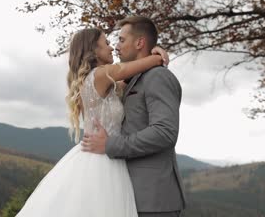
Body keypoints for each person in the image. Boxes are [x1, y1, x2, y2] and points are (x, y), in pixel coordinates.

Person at [16, 27, 168, 217]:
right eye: (106, 43)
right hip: (103, 159)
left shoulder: (95, 79)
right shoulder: (101, 75)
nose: (112, 48)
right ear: (94, 50)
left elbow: (129, 80)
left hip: (96, 154)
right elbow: (145, 64)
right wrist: (157, 53)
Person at [81, 16, 186, 217]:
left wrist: (110, 145)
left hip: (153, 201)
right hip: (126, 194)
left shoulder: (158, 77)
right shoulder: (128, 81)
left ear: (139, 43)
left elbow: (165, 132)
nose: (116, 47)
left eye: (121, 40)